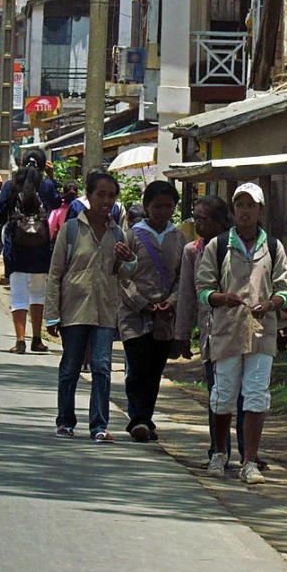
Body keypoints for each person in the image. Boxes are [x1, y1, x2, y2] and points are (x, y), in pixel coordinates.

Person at [196, 182, 287, 484]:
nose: (245, 211)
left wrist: (271, 304)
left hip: (262, 333)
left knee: (256, 396)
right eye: (240, 205)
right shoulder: (218, 245)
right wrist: (220, 298)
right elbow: (203, 289)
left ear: (260, 209)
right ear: (233, 209)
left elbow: (284, 291)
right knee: (223, 395)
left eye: (251, 205)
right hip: (226, 331)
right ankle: (219, 453)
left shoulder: (273, 247)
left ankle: (249, 461)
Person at [45, 168, 136, 443]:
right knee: (70, 367)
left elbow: (124, 273)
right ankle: (65, 421)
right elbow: (55, 273)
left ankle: (99, 425)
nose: (106, 201)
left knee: (102, 368)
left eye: (111, 195)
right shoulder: (71, 230)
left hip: (105, 312)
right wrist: (51, 315)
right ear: (89, 196)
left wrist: (129, 259)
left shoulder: (117, 233)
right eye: (100, 194)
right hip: (73, 310)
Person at [174, 195, 251, 464]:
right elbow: (187, 294)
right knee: (218, 395)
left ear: (220, 221)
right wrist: (182, 335)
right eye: (195, 218)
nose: (198, 224)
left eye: (203, 219)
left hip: (243, 330)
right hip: (211, 335)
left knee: (246, 395)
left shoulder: (238, 247)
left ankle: (248, 452)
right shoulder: (192, 251)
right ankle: (218, 450)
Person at [119, 180, 186, 442]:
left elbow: (182, 277)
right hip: (134, 315)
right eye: (157, 206)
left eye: (168, 206)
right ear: (147, 206)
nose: (162, 211)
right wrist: (139, 302)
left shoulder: (179, 238)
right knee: (137, 368)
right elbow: (121, 275)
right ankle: (139, 418)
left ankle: (145, 417)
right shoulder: (131, 236)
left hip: (164, 317)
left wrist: (172, 301)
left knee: (155, 370)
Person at [0, 149, 61, 354]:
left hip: (16, 246)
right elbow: (57, 203)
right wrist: (52, 178)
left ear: (21, 164)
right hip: (40, 246)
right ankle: (37, 339)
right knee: (38, 293)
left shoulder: (10, 185)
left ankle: (20, 341)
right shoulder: (46, 185)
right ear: (43, 166)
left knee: (18, 293)